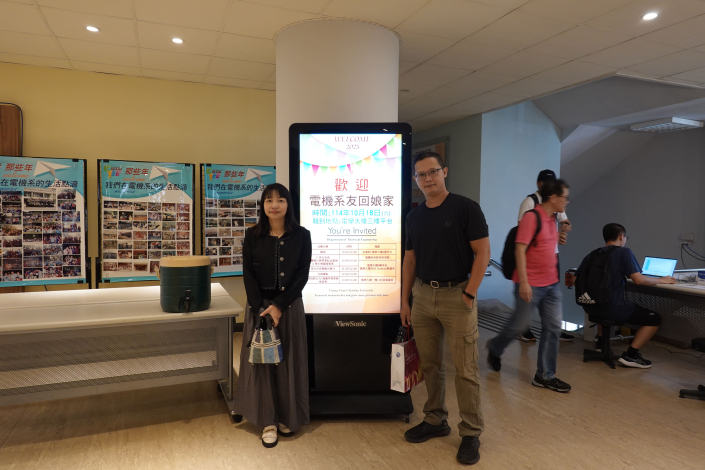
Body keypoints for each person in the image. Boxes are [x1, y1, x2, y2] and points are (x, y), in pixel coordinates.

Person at [401, 151, 490, 465]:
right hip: (423, 296)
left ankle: (471, 431)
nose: (428, 178)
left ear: (445, 172)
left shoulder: (466, 208)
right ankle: (435, 418)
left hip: (457, 295)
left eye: (433, 171)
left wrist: (469, 293)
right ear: (416, 180)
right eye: (421, 174)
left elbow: (483, 253)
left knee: (465, 368)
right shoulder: (414, 217)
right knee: (430, 364)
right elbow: (410, 260)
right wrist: (405, 301)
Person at [233, 183, 312, 448]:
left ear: (289, 204)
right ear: (263, 206)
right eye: (269, 200)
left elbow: (302, 276)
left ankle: (288, 416)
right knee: (262, 364)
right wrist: (260, 309)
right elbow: (248, 275)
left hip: (289, 307)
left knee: (289, 361)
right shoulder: (252, 235)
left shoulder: (302, 236)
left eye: (280, 200)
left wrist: (279, 306)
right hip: (260, 308)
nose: (274, 205)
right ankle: (267, 420)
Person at [487, 179, 572, 393]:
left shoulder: (552, 219)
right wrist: (524, 283)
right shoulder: (531, 217)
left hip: (551, 284)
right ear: (553, 197)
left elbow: (543, 246)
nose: (567, 202)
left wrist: (558, 239)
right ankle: (495, 347)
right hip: (531, 284)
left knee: (553, 328)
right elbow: (519, 250)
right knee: (518, 326)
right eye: (565, 198)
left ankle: (545, 375)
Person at [574, 223, 676, 368]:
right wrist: (661, 280)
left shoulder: (593, 254)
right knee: (654, 318)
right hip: (611, 308)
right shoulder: (624, 252)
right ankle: (631, 356)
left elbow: (575, 279)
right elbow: (639, 280)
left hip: (590, 307)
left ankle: (601, 345)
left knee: (603, 303)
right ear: (621, 236)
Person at [516, 169, 574, 343]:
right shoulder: (529, 202)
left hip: (552, 255)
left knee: (552, 294)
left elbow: (566, 222)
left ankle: (553, 327)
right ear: (538, 184)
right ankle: (522, 327)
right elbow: (522, 231)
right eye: (546, 183)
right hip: (533, 257)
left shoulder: (554, 202)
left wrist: (563, 230)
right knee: (530, 296)